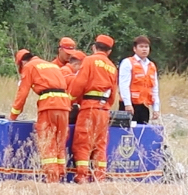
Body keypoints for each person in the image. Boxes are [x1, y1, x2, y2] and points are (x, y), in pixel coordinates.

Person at [9, 49, 71, 182]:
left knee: (47, 140)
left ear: (22, 62)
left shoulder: (29, 66)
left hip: (49, 104)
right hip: (65, 105)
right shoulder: (52, 65)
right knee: (60, 140)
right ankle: (60, 175)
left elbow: (22, 93)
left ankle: (51, 178)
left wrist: (13, 116)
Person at [69, 35, 118, 183]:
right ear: (109, 51)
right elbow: (113, 93)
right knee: (100, 144)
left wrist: (69, 100)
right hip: (104, 110)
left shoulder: (89, 61)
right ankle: (99, 177)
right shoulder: (112, 67)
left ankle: (82, 176)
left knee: (83, 142)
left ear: (94, 47)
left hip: (89, 107)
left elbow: (79, 83)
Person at [118, 35, 160, 124]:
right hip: (130, 105)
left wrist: (156, 108)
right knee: (127, 134)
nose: (144, 49)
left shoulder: (151, 66)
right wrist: (127, 104)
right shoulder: (128, 62)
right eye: (141, 47)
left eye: (146, 47)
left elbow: (154, 88)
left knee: (142, 134)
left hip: (144, 106)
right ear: (135, 49)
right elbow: (123, 85)